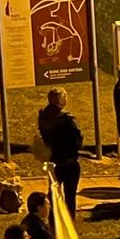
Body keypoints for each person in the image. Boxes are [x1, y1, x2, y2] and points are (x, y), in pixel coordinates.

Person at [38, 89, 84, 220]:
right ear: (61, 100)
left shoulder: (43, 116)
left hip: (53, 159)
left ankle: (51, 217)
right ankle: (69, 219)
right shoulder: (67, 118)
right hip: (69, 160)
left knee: (53, 192)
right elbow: (78, 138)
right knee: (70, 194)